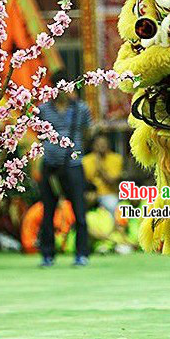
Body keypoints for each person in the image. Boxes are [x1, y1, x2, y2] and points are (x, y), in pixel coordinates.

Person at [38, 70, 93, 267]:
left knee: (79, 210)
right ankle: (47, 254)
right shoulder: (43, 109)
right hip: (50, 165)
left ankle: (81, 253)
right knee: (48, 212)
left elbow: (87, 133)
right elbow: (39, 135)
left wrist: (75, 151)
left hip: (74, 164)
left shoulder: (81, 109)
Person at [82, 133, 123, 214]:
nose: (101, 146)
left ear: (108, 145)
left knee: (112, 205)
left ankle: (114, 226)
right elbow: (86, 180)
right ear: (93, 146)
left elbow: (111, 181)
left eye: (104, 144)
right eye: (98, 144)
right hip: (91, 194)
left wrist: (99, 167)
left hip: (108, 194)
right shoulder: (86, 160)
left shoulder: (116, 158)